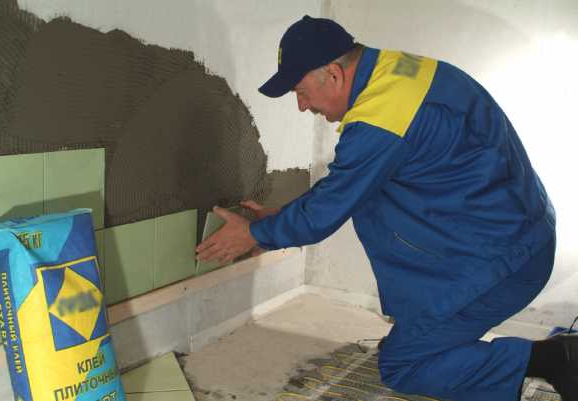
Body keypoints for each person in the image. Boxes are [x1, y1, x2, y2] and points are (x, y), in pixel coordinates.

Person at [196, 15, 577, 401]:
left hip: (504, 264)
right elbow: (348, 183)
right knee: (412, 337)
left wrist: (254, 234)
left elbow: (326, 209)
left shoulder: (380, 123)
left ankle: (554, 359)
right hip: (514, 235)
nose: (302, 106)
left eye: (301, 91)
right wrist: (279, 221)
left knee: (402, 365)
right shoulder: (399, 72)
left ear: (333, 74)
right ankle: (436, 343)